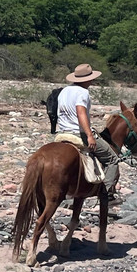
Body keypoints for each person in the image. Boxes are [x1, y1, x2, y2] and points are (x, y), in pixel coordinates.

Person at [54, 63, 118, 196]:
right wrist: (89, 135)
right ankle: (106, 194)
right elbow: (80, 112)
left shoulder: (64, 91)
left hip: (62, 133)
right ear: (87, 79)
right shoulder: (83, 92)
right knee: (112, 159)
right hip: (78, 133)